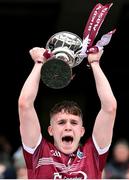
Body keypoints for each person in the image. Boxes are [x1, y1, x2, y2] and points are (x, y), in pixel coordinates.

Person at [18, 47, 117, 179]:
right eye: (61, 122)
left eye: (74, 122)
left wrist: (95, 63)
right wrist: (39, 63)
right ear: (51, 130)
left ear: (82, 131)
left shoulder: (93, 154)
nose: (68, 127)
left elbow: (109, 108)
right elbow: (25, 105)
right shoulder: (39, 153)